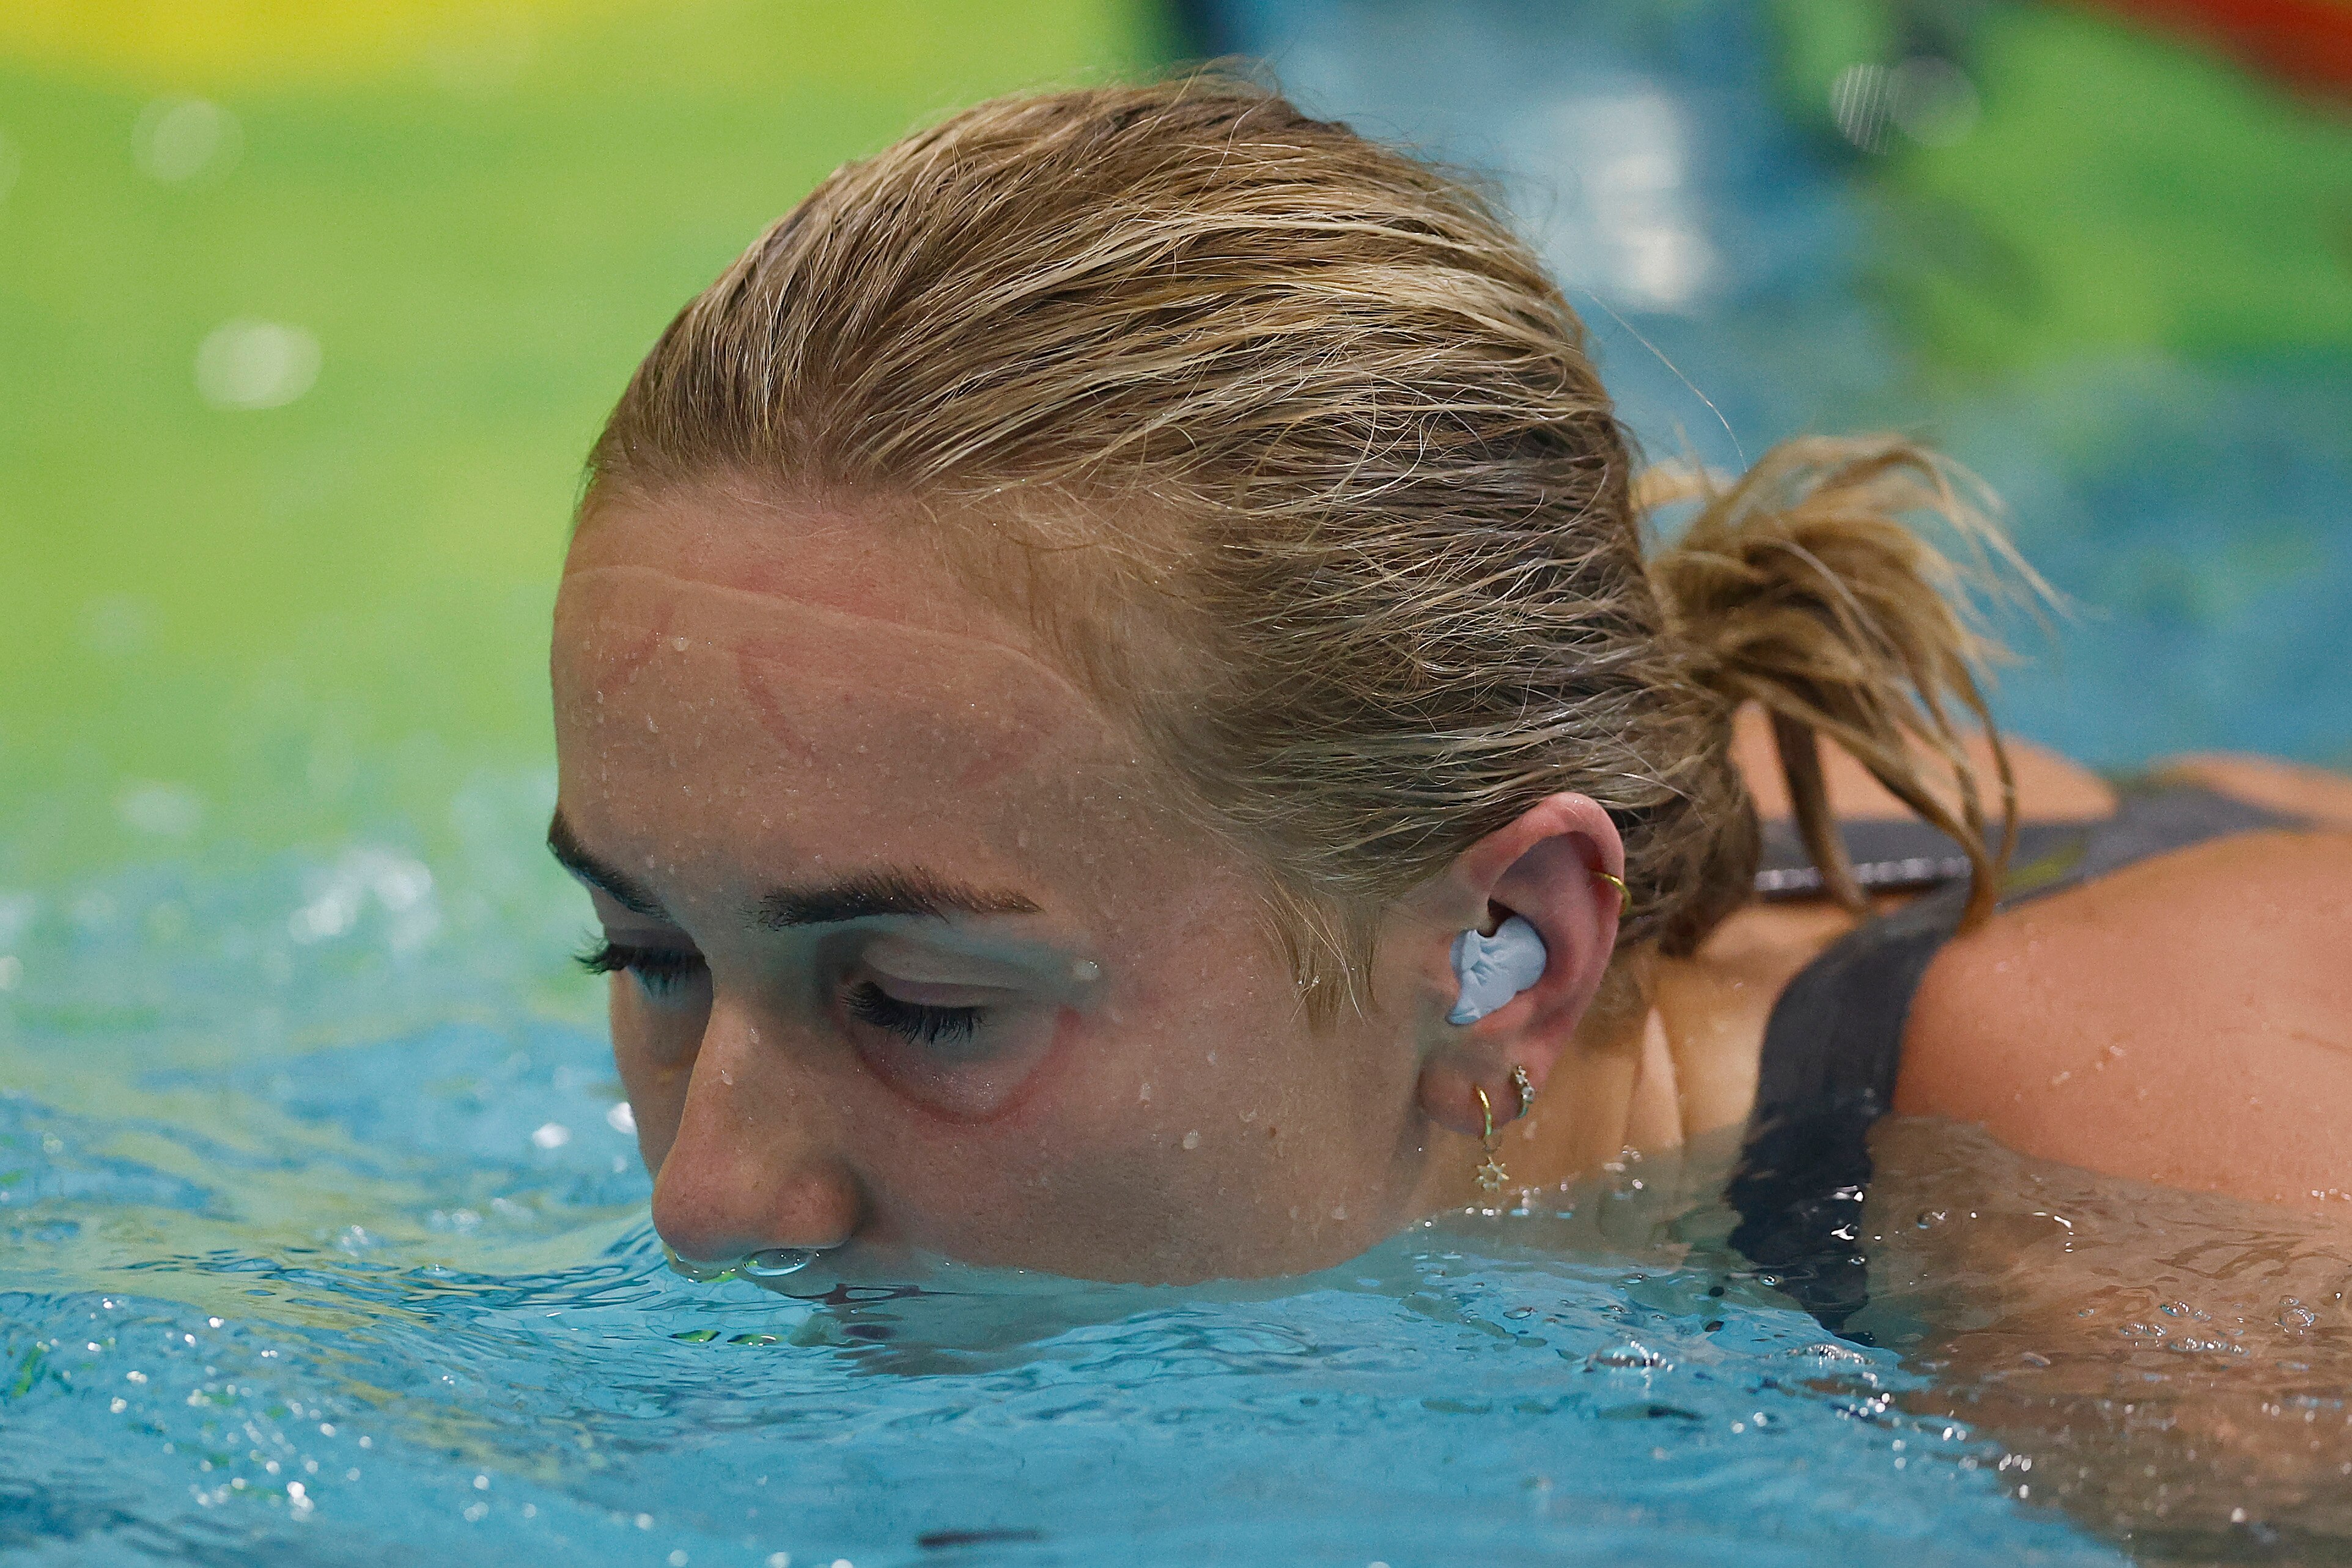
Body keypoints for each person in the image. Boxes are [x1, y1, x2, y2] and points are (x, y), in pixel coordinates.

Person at [545, 77, 2352, 1313]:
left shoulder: (2186, 1267)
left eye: (920, 1005)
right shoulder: (1230, 819)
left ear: (1505, 953)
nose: (705, 1203)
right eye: (652, 959)